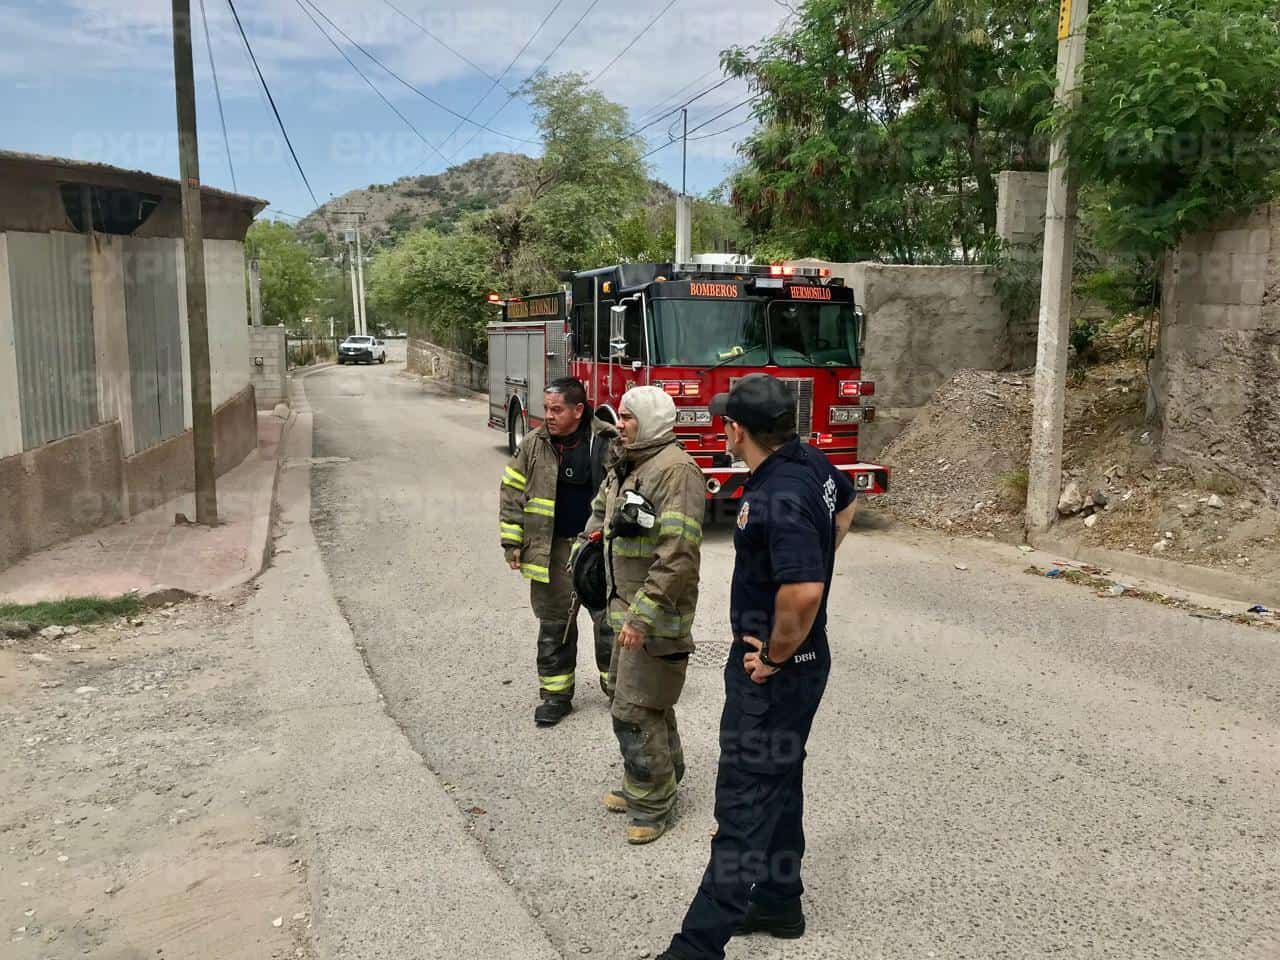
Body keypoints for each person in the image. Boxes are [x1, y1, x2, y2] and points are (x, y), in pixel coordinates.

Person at [656, 373, 856, 960]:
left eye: (725, 421)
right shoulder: (810, 463)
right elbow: (846, 504)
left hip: (775, 674)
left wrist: (772, 655)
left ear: (737, 430)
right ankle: (777, 899)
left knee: (743, 803)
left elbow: (803, 592)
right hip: (801, 667)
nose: (722, 428)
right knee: (780, 779)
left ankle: (695, 949)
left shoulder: (779, 494)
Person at [578, 385, 705, 844]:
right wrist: (584, 552)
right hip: (622, 610)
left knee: (633, 708)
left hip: (652, 619)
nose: (620, 424)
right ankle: (658, 779)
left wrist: (640, 616)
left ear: (650, 421)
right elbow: (600, 518)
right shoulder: (627, 461)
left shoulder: (676, 472)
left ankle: (652, 805)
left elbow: (678, 555)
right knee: (644, 700)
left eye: (629, 418)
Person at [499, 377, 618, 727]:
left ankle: (618, 693)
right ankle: (555, 696)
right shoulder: (534, 444)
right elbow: (511, 491)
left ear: (578, 410)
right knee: (554, 627)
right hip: (551, 553)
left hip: (597, 552)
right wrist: (512, 542)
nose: (548, 415)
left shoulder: (609, 441)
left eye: (557, 409)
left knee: (609, 625)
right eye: (546, 408)